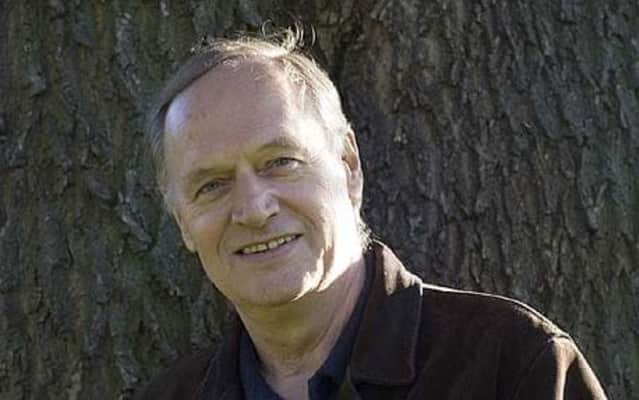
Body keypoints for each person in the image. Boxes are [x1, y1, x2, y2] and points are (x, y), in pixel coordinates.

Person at [137, 29, 607, 400]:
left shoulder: (511, 365)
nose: (254, 209)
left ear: (348, 166)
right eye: (212, 185)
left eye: (280, 162)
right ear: (183, 222)